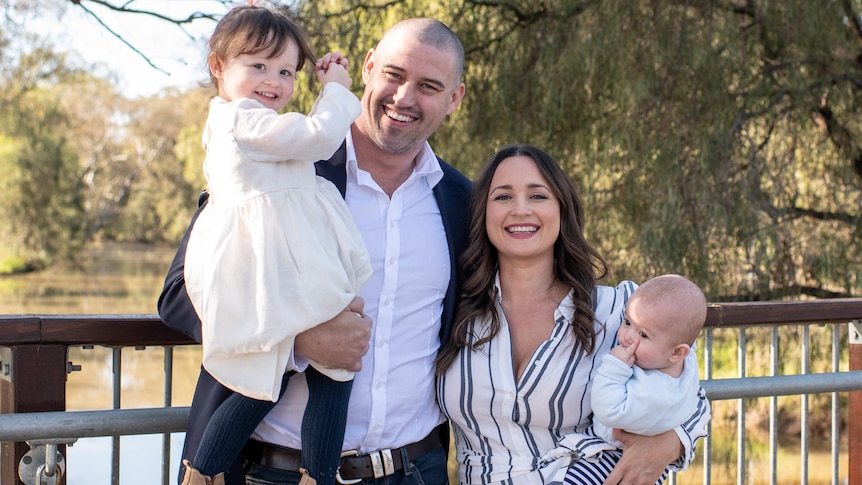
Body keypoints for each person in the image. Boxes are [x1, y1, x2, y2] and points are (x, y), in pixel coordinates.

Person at [159, 17, 471, 485]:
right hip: (274, 470)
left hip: (418, 469)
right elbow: (181, 294)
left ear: (454, 99)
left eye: (428, 86)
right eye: (394, 75)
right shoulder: (281, 166)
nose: (404, 98)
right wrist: (296, 340)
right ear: (367, 68)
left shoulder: (462, 201)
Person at [435, 144, 711, 485]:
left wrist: (669, 443)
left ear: (563, 211)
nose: (520, 210)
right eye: (503, 197)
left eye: (538, 196)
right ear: (483, 213)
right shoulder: (451, 311)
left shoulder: (621, 312)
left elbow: (691, 396)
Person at [178, 5, 372, 485]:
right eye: (258, 65)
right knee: (330, 369)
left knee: (272, 373)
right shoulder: (242, 119)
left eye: (285, 71)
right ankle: (316, 473)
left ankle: (203, 471)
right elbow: (319, 136)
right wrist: (337, 89)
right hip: (276, 262)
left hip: (282, 259)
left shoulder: (250, 125)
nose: (274, 80)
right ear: (218, 66)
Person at [590, 273, 706, 451]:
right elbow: (687, 337)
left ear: (677, 352)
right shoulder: (677, 361)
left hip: (611, 454)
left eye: (643, 334)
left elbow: (608, 411)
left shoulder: (655, 394)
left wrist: (614, 367)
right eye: (627, 321)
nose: (627, 336)